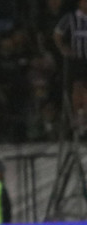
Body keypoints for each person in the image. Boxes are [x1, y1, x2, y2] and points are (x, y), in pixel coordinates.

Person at [53, 0, 87, 129]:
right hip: (77, 59)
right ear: (80, 3)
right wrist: (63, 49)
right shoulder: (70, 18)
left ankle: (85, 114)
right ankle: (77, 115)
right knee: (77, 86)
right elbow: (57, 34)